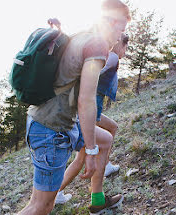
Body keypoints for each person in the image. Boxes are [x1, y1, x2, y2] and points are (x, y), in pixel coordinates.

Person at [0, 0, 130, 215]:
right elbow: (86, 102)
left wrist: (94, 145)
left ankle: (96, 200)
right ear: (111, 23)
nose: (122, 34)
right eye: (122, 26)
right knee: (42, 205)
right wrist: (91, 151)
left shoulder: (85, 38)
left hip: (59, 123)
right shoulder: (96, 46)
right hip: (51, 130)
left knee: (106, 138)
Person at [55, 33, 129, 205]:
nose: (125, 51)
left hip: (93, 110)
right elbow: (97, 70)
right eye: (125, 47)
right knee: (81, 158)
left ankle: (106, 164)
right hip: (88, 111)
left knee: (112, 128)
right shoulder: (112, 57)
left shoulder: (110, 56)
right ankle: (57, 193)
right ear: (120, 45)